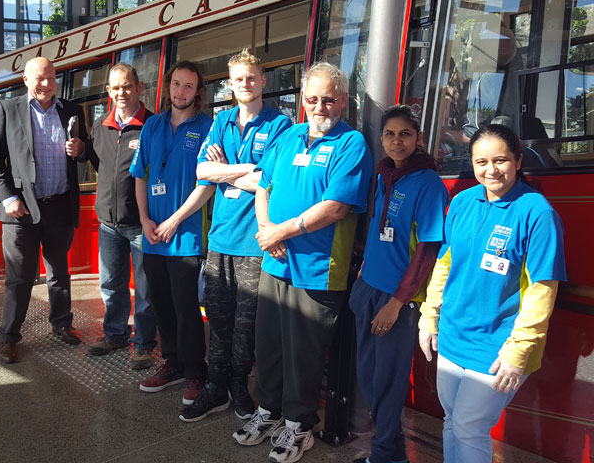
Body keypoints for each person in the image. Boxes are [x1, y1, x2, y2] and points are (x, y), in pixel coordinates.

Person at [234, 62, 372, 463]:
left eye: (328, 99)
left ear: (343, 100)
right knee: (270, 345)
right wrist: (265, 230)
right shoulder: (290, 136)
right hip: (274, 261)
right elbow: (264, 186)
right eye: (312, 99)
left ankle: (299, 426)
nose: (319, 106)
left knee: (304, 354)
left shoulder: (352, 145)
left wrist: (283, 231)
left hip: (317, 269)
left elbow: (335, 207)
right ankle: (269, 412)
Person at [418, 123, 566, 463]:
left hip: (499, 345)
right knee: (452, 421)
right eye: (481, 161)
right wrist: (430, 317)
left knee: (470, 426)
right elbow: (445, 263)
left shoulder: (537, 212)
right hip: (453, 337)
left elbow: (544, 290)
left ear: (517, 159)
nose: (491, 170)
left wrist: (519, 352)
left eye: (500, 160)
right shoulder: (462, 201)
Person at [180, 49, 292, 423]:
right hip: (219, 241)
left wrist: (223, 169)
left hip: (254, 244)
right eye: (237, 79)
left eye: (251, 77)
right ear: (230, 84)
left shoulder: (280, 125)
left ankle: (239, 386)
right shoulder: (222, 120)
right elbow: (201, 171)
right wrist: (238, 170)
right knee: (218, 319)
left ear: (262, 80)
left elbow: (269, 179)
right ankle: (215, 388)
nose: (244, 84)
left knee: (246, 329)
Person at [348, 105, 448, 463]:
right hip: (368, 290)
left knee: (388, 384)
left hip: (397, 300)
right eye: (389, 134)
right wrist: (363, 277)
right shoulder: (382, 175)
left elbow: (427, 251)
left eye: (405, 134)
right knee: (369, 378)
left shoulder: (429, 184)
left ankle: (385, 455)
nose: (396, 141)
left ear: (418, 139)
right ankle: (389, 453)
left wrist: (396, 303)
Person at [0, 56, 90, 364]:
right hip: (20, 212)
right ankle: (8, 336)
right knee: (20, 277)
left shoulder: (71, 110)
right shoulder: (7, 109)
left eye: (50, 78)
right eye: (39, 78)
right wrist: (8, 199)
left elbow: (85, 153)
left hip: (58, 204)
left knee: (59, 272)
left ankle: (62, 324)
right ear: (26, 80)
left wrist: (81, 150)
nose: (45, 84)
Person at [129, 61, 215, 406]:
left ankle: (196, 372)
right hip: (152, 235)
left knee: (186, 308)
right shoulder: (152, 125)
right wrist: (145, 219)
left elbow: (207, 183)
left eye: (188, 86)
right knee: (161, 304)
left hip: (185, 236)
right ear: (168, 87)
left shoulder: (208, 127)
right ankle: (174, 363)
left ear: (198, 92)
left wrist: (175, 220)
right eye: (176, 84)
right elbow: (140, 176)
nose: (181, 92)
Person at [86, 63, 157, 370]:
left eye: (127, 86)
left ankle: (143, 343)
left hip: (141, 223)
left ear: (139, 88)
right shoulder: (100, 126)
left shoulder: (153, 125)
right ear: (108, 92)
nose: (122, 93)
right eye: (115, 88)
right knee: (110, 284)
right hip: (108, 224)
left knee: (145, 288)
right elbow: (96, 163)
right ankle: (115, 333)